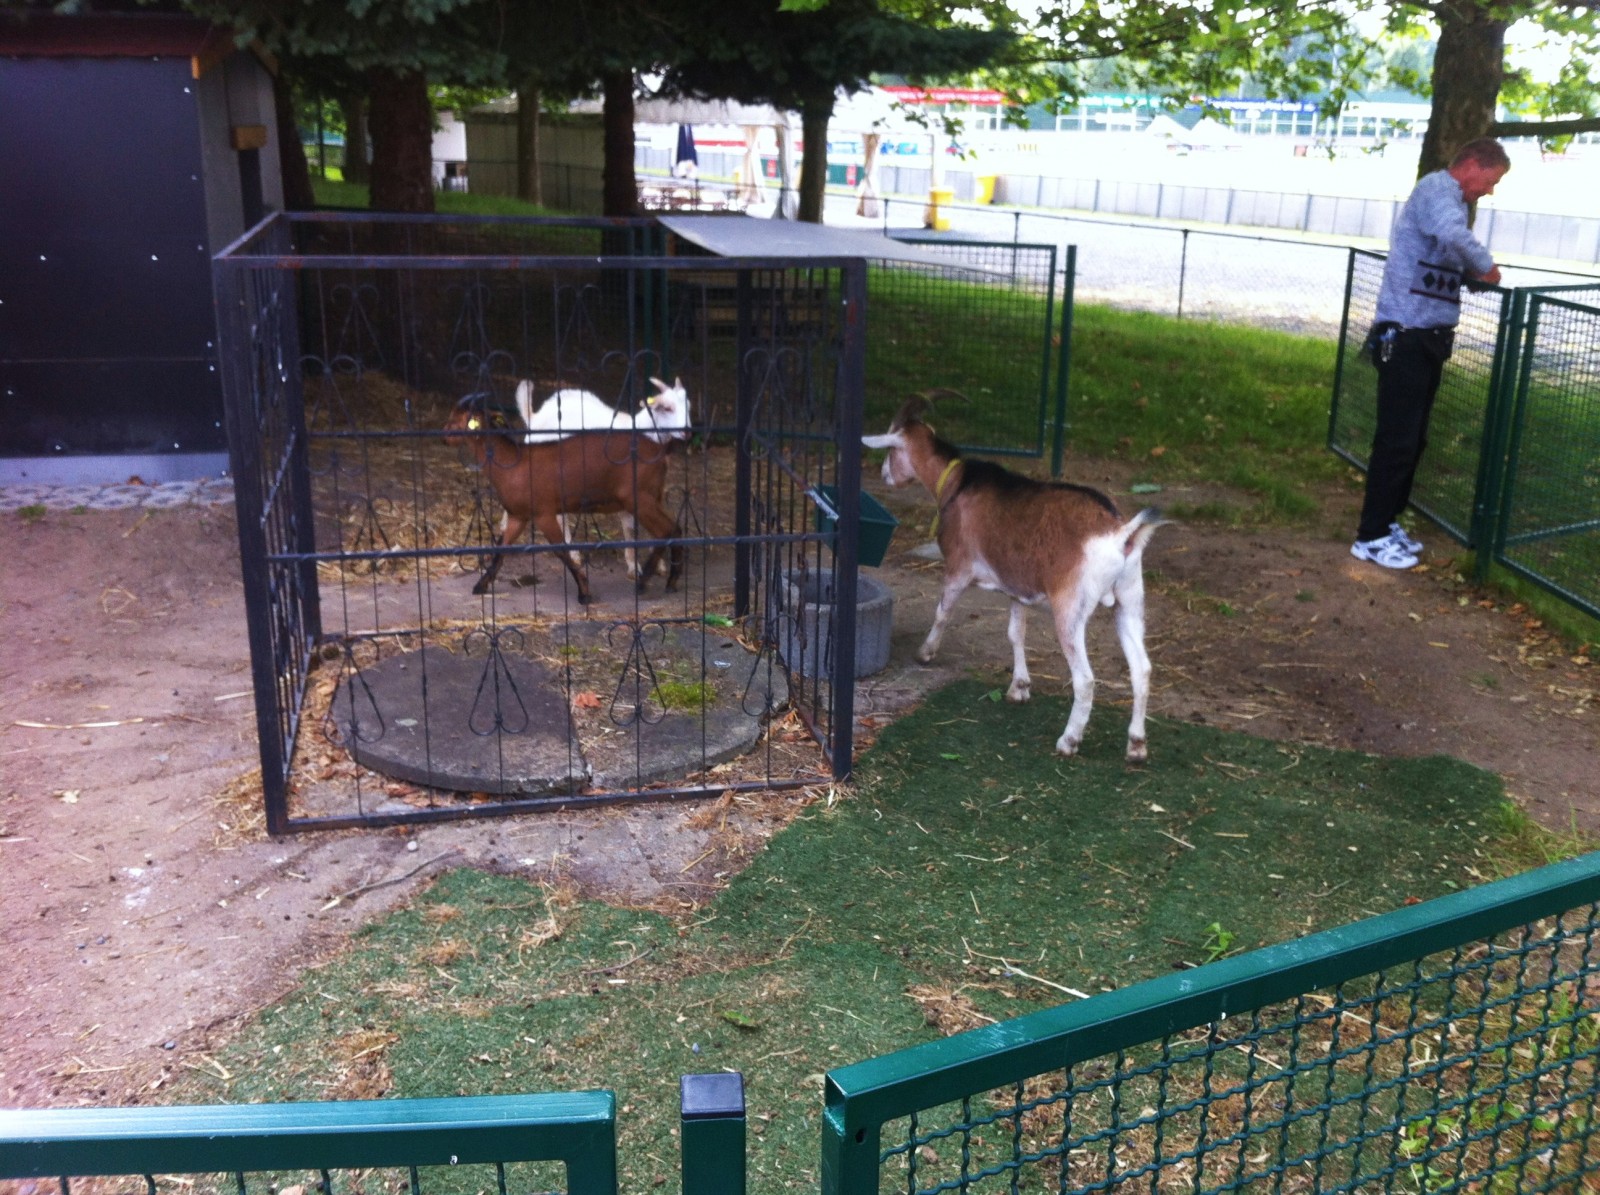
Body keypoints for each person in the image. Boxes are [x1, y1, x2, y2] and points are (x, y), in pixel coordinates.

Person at [1351, 137, 1509, 570]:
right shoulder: (1437, 191)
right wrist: (1484, 265)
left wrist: (1468, 277)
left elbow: (1441, 259)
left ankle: (1387, 521)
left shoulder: (1452, 202)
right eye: (1491, 181)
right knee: (1396, 440)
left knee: (1413, 439)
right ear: (1473, 165)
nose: (1490, 191)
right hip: (1404, 335)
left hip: (1428, 337)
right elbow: (1453, 236)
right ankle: (1370, 536)